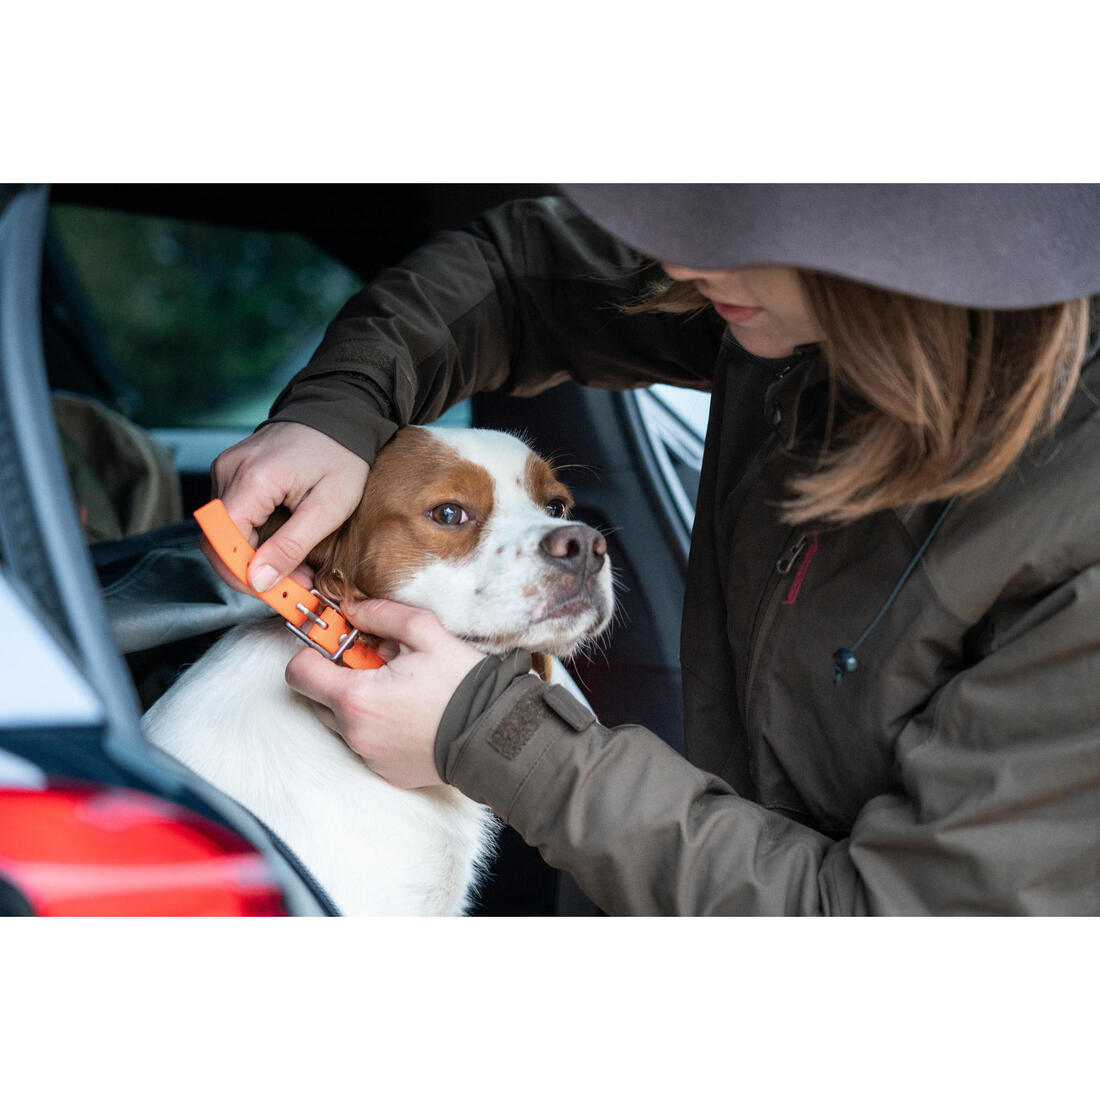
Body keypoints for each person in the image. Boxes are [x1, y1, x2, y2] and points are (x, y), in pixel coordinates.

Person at [210, 185, 1100, 915]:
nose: (679, 258)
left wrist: (492, 732)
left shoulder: (1075, 539)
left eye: (744, 221)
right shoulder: (774, 298)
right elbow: (514, 275)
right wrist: (337, 411)